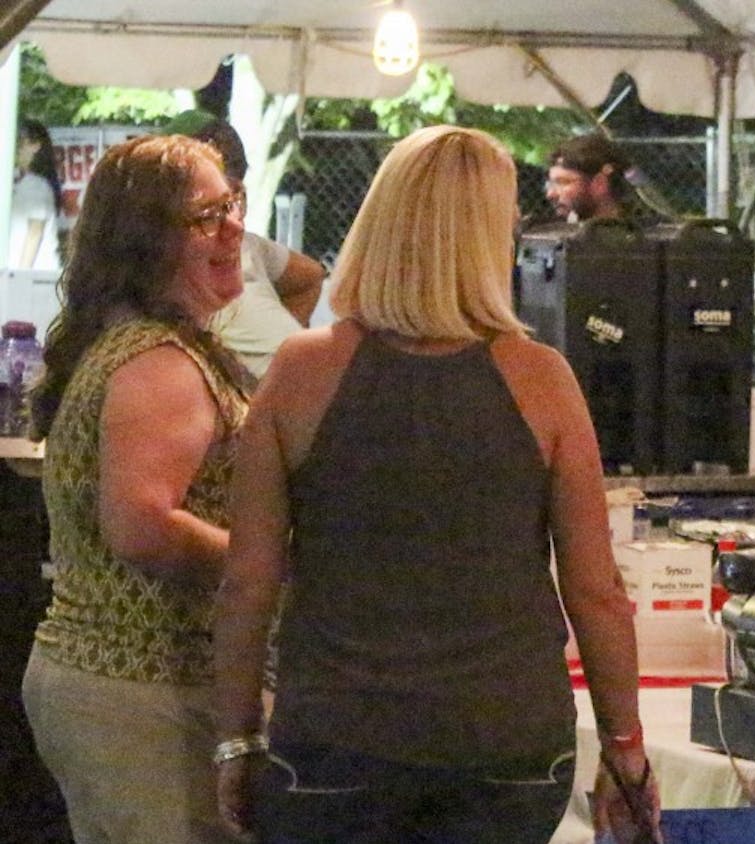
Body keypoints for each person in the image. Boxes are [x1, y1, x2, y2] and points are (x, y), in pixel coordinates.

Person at [213, 125, 659, 844]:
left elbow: (248, 582)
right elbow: (596, 589)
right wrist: (626, 748)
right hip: (507, 742)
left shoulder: (299, 373)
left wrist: (235, 739)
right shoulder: (543, 381)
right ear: (491, 239)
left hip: (334, 738)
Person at [21, 134, 250, 844]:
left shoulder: (137, 342)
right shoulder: (158, 361)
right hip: (141, 690)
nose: (234, 228)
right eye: (207, 217)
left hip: (114, 685)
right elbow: (142, 526)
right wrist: (268, 564)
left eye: (232, 204)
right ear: (146, 242)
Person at [163, 110, 326, 379]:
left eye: (232, 201)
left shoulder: (237, 250)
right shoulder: (233, 250)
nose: (234, 222)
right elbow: (310, 276)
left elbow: (310, 277)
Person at [544, 132, 654, 224]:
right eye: (551, 184)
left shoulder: (648, 238)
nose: (550, 194)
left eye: (563, 182)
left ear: (600, 183)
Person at [9, 119, 62, 270]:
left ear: (36, 146)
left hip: (33, 275)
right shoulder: (16, 180)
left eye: (20, 141)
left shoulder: (38, 185)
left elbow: (35, 233)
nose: (16, 147)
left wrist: (21, 275)